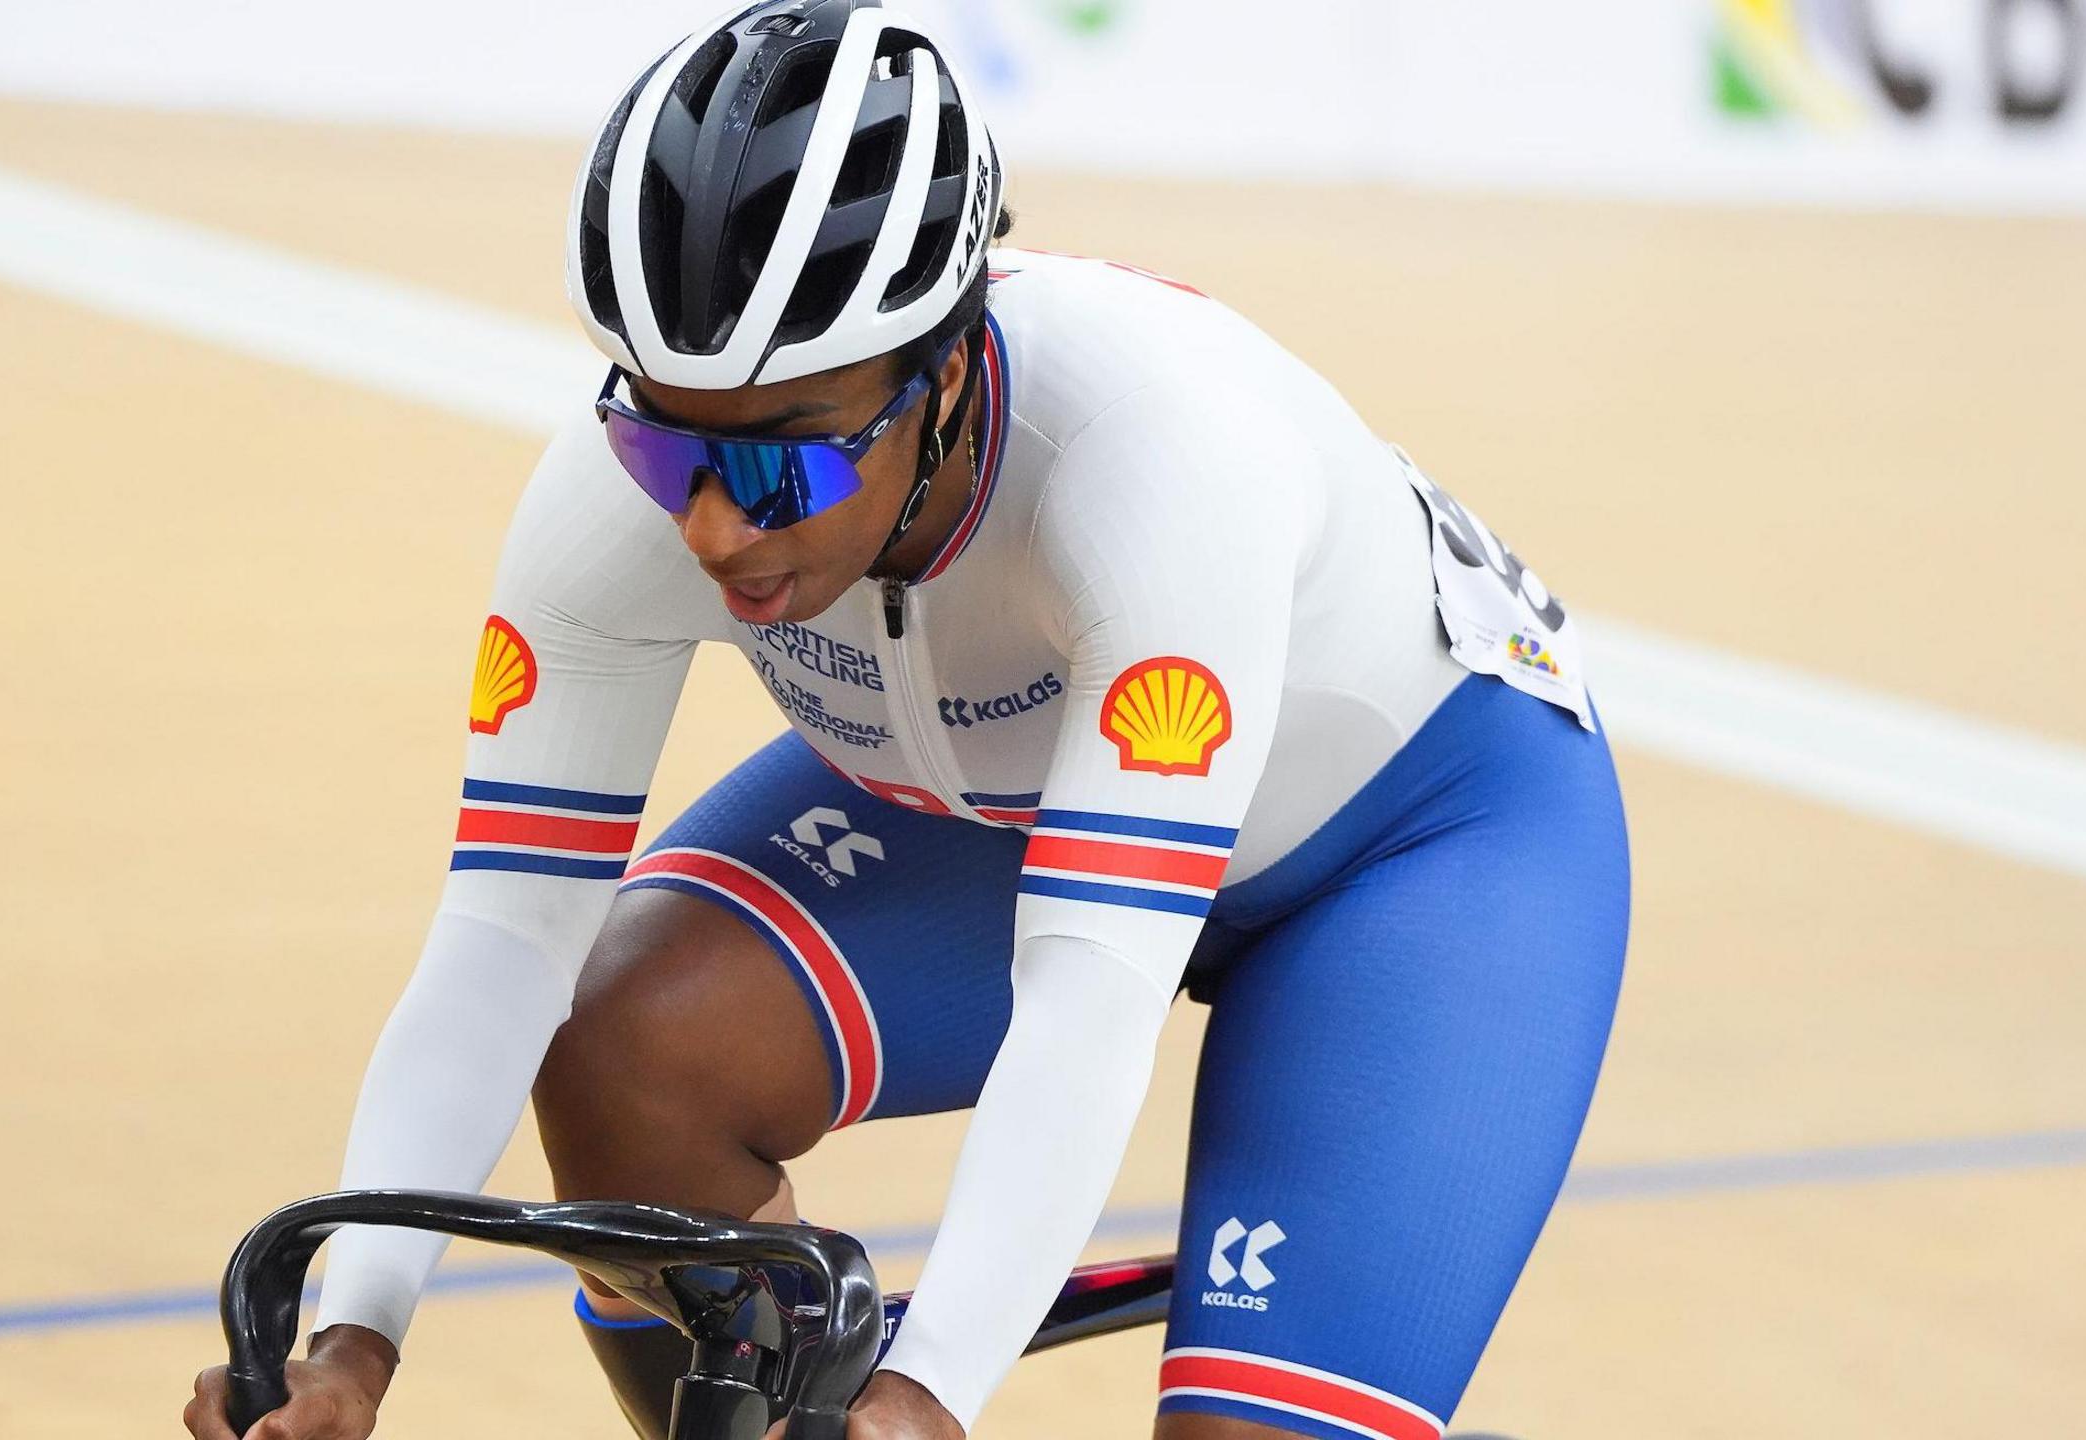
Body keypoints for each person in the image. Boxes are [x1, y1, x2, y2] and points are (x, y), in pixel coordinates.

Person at [183, 2, 1628, 1437]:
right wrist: (353, 1341)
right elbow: (506, 937)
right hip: (1013, 801)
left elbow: (1089, 1002)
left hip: (1419, 848)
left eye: (779, 471)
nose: (707, 526)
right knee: (626, 1052)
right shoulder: (634, 497)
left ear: (939, 382)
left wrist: (928, 1392)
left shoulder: (1158, 463)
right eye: (659, 438)